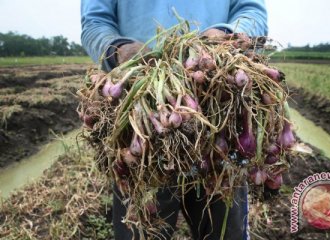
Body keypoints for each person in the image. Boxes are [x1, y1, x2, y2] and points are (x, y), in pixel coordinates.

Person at [81, 1, 268, 239]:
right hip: (140, 129)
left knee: (225, 232)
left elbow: (252, 10)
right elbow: (95, 22)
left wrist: (227, 34)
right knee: (141, 228)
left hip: (220, 123)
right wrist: (117, 48)